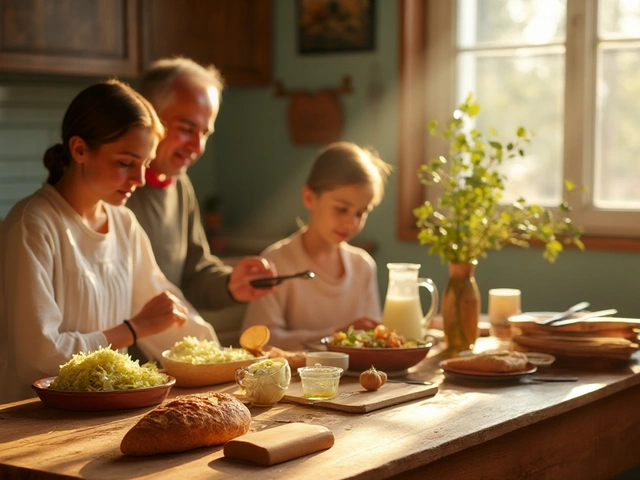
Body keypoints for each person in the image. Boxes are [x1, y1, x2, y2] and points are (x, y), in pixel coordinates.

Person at [0, 79, 215, 403]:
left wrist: (230, 360)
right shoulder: (32, 224)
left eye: (144, 164)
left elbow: (166, 315)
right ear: (80, 149)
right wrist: (132, 329)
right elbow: (39, 356)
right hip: (31, 421)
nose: (140, 179)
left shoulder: (123, 223)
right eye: (126, 163)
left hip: (106, 412)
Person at [126, 57, 275, 321]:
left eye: (205, 134)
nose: (197, 146)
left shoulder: (180, 186)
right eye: (186, 129)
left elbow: (194, 276)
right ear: (147, 116)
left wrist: (231, 284)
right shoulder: (115, 189)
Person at [242, 142, 392, 350]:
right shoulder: (276, 262)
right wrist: (335, 336)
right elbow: (258, 341)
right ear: (309, 198)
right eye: (341, 209)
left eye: (361, 212)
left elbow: (373, 340)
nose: (352, 223)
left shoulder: (363, 266)